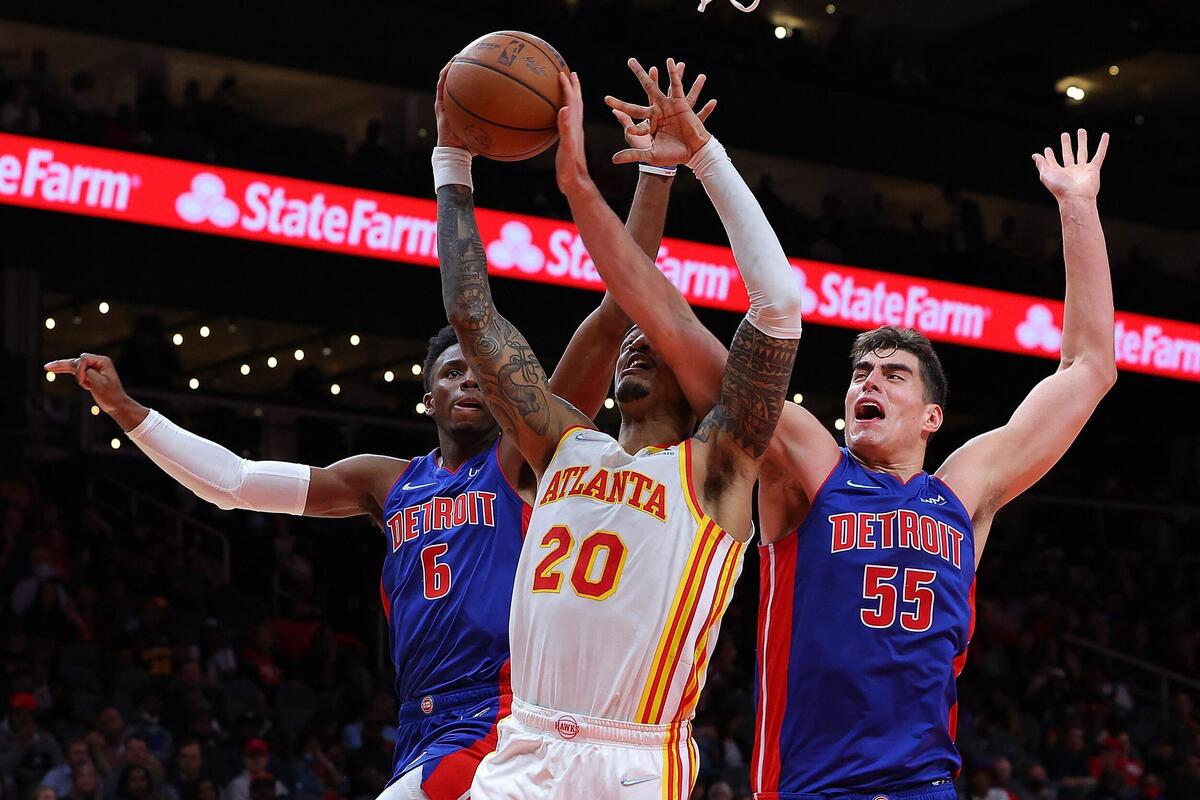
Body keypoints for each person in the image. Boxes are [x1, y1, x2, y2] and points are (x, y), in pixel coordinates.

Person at [48, 117, 677, 800]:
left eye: (479, 372)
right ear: (428, 399)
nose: (469, 380)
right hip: (422, 725)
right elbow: (234, 482)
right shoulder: (386, 481)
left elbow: (613, 313)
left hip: (503, 718)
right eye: (451, 373)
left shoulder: (525, 457)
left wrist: (656, 173)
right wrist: (127, 412)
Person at [602, 68, 1118, 799]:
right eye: (861, 373)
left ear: (932, 417)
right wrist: (690, 163)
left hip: (924, 785)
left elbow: (1089, 367)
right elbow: (688, 338)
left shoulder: (963, 490)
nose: (868, 382)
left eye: (893, 375)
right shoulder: (813, 469)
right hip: (811, 786)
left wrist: (1078, 207)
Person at [432, 58, 801, 799]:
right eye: (632, 338)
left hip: (632, 761)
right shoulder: (562, 445)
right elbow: (473, 319)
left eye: (655, 342)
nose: (637, 341)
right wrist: (452, 163)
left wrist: (703, 158)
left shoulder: (718, 466)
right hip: (523, 748)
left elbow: (779, 308)